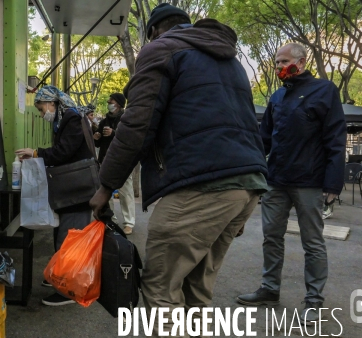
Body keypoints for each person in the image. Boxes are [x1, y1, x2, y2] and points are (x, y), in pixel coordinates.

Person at [89, 4, 268, 334]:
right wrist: (238, 200)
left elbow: (136, 126)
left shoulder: (162, 49)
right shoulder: (231, 62)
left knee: (160, 288)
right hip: (247, 184)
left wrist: (105, 185)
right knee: (196, 290)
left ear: (154, 31)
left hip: (200, 185)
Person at [237, 43, 347, 325]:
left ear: (301, 60)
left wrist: (333, 184)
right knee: (271, 237)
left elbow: (336, 139)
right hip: (276, 180)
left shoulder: (325, 91)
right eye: (275, 63)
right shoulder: (276, 97)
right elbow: (264, 141)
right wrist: (248, 167)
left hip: (310, 182)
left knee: (313, 243)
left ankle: (314, 301)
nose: (278, 67)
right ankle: (269, 289)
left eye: (283, 61)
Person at [15, 85, 93, 306]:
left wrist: (37, 152)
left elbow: (64, 152)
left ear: (52, 103)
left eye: (41, 109)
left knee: (70, 240)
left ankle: (69, 291)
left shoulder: (72, 119)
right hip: (73, 190)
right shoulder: (67, 118)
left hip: (77, 191)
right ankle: (61, 277)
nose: (42, 115)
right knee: (65, 235)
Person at [93, 93, 137, 234]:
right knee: (105, 191)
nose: (108, 103)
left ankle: (129, 222)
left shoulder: (126, 119)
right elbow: (98, 142)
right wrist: (97, 137)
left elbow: (129, 137)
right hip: (105, 159)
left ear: (118, 103)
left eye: (110, 101)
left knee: (126, 192)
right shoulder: (104, 121)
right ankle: (111, 219)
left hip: (122, 160)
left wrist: (113, 133)